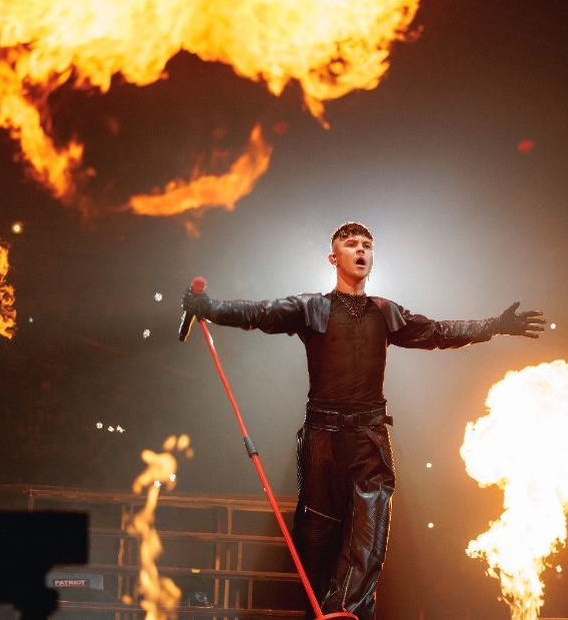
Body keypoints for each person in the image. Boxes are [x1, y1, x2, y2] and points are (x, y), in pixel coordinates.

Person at [182, 222, 545, 619]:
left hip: (369, 439)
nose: (360, 250)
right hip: (322, 440)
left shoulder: (385, 312)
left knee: (369, 540)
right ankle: (327, 611)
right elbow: (259, 313)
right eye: (351, 244)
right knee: (317, 540)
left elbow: (438, 332)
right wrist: (210, 308)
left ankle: (346, 614)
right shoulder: (312, 307)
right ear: (333, 257)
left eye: (367, 245)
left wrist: (495, 326)